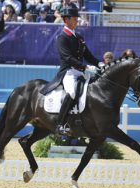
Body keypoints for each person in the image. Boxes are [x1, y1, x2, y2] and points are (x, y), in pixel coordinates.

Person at [40, 4, 99, 134]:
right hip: (68, 72)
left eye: (77, 18)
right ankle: (60, 124)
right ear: (66, 20)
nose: (77, 21)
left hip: (80, 72)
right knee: (72, 92)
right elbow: (67, 58)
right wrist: (86, 66)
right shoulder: (62, 37)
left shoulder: (78, 37)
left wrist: (99, 64)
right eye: (74, 18)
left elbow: (87, 54)